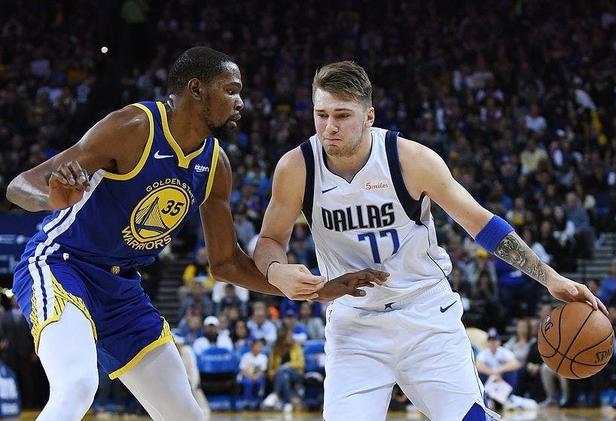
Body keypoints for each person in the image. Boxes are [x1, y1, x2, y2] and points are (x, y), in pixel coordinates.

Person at [6, 48, 386, 421]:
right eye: (231, 90)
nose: (241, 102)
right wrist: (52, 198)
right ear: (196, 89)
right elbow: (21, 185)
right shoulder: (134, 127)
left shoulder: (215, 165)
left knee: (186, 414)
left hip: (121, 290)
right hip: (62, 265)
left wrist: (316, 289)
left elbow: (226, 263)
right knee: (77, 386)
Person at [253, 60, 607, 421]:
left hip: (425, 314)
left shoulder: (410, 159)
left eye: (342, 115)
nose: (330, 126)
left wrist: (549, 277)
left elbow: (481, 223)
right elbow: (269, 240)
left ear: (369, 116)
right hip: (354, 325)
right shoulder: (296, 168)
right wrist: (276, 271)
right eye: (321, 114)